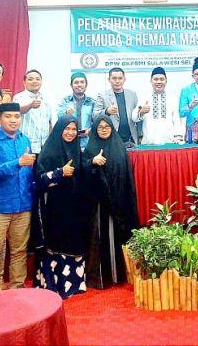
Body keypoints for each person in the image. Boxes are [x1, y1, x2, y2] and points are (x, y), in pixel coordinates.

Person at [0, 102, 35, 292]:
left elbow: (29, 173)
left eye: (17, 116)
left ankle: (16, 289)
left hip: (23, 204)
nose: (13, 120)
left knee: (19, 251)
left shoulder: (25, 140)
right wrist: (18, 162)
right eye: (8, 116)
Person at [32, 115, 88, 299]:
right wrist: (59, 173)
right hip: (54, 209)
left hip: (75, 207)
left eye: (74, 129)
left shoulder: (77, 150)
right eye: (67, 129)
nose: (70, 133)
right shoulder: (48, 151)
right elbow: (39, 180)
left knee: (74, 241)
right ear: (59, 130)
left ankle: (74, 284)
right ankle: (53, 285)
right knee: (55, 243)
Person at [83, 116, 139, 288]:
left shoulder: (119, 148)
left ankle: (119, 275)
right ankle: (102, 277)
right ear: (95, 129)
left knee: (117, 236)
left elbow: (126, 177)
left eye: (107, 126)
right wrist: (92, 162)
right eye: (100, 127)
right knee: (100, 239)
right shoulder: (90, 149)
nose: (104, 129)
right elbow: (81, 172)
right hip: (98, 205)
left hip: (118, 202)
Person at [94, 67, 141, 145]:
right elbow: (95, 116)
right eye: (114, 78)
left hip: (131, 139)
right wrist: (107, 111)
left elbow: (138, 116)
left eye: (120, 78)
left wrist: (140, 135)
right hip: (111, 139)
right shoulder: (102, 95)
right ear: (109, 80)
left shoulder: (132, 94)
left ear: (124, 79)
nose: (117, 81)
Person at [137, 67, 183, 145]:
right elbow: (134, 118)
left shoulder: (172, 97)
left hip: (169, 141)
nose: (159, 82)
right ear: (151, 81)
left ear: (166, 81)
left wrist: (178, 137)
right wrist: (141, 112)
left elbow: (176, 119)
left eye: (162, 79)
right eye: (156, 79)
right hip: (149, 142)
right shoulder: (144, 97)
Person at [13, 69, 53, 154]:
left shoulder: (46, 99)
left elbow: (50, 122)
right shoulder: (19, 97)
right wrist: (30, 105)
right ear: (24, 82)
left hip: (44, 146)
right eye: (30, 79)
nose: (35, 81)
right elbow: (17, 110)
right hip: (25, 146)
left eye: (37, 79)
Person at [57, 72, 96, 149]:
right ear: (71, 85)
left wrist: (90, 130)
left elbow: (96, 120)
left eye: (82, 82)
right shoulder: (65, 101)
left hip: (87, 142)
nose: (79, 85)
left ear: (86, 85)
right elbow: (59, 118)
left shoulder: (92, 102)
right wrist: (66, 114)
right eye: (76, 82)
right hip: (69, 140)